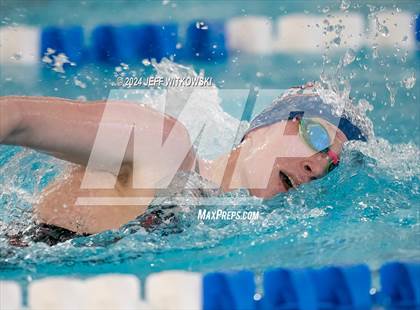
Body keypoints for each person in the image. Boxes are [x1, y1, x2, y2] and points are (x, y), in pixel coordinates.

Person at [0, 84, 367, 245]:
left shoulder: (230, 226)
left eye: (331, 165)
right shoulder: (163, 146)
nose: (317, 168)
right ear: (264, 126)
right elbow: (16, 117)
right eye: (318, 138)